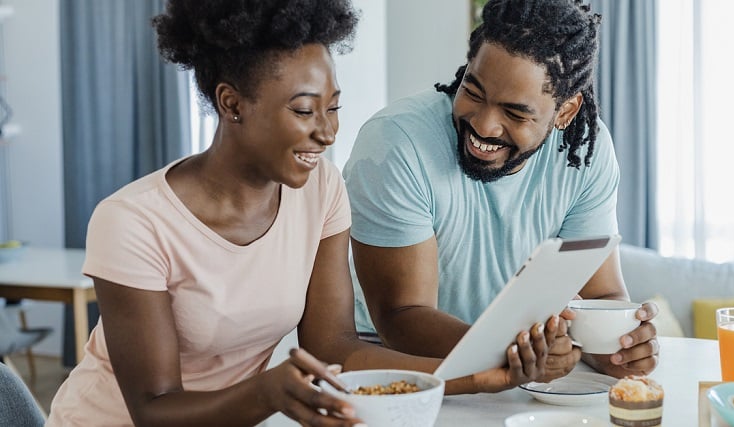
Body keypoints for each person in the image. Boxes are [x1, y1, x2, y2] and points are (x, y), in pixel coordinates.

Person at [46, 1, 562, 426]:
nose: (327, 131)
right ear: (232, 104)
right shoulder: (133, 222)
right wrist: (265, 395)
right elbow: (153, 410)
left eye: (333, 107)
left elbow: (337, 347)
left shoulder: (320, 189)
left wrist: (482, 377)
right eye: (303, 110)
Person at [343, 0, 659, 380]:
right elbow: (401, 316)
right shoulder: (396, 143)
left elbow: (601, 294)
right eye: (473, 92)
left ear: (566, 112)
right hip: (400, 366)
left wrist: (614, 347)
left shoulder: (583, 152)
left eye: (515, 112)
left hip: (512, 369)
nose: (484, 126)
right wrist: (513, 352)